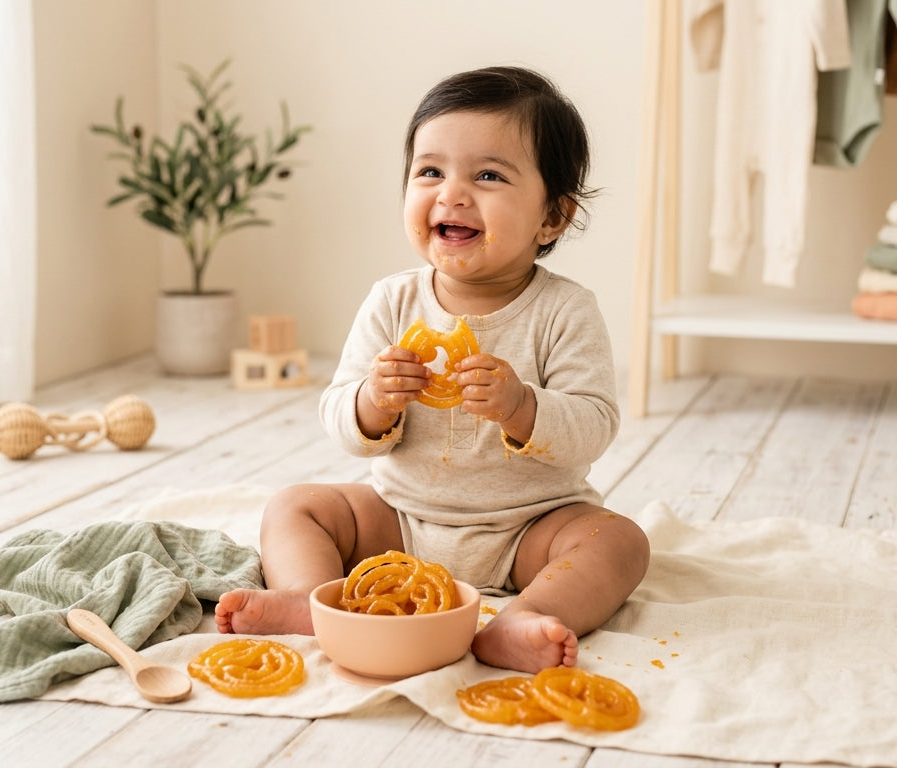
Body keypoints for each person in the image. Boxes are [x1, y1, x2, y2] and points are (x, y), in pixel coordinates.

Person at [215, 66, 649, 674]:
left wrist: (522, 407)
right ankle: (316, 601)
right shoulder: (393, 302)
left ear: (552, 216)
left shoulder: (564, 310)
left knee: (619, 542)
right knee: (296, 506)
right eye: (430, 171)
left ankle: (524, 616)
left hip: (529, 528)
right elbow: (340, 417)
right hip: (400, 520)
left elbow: (595, 424)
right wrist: (374, 400)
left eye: (489, 175)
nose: (451, 193)